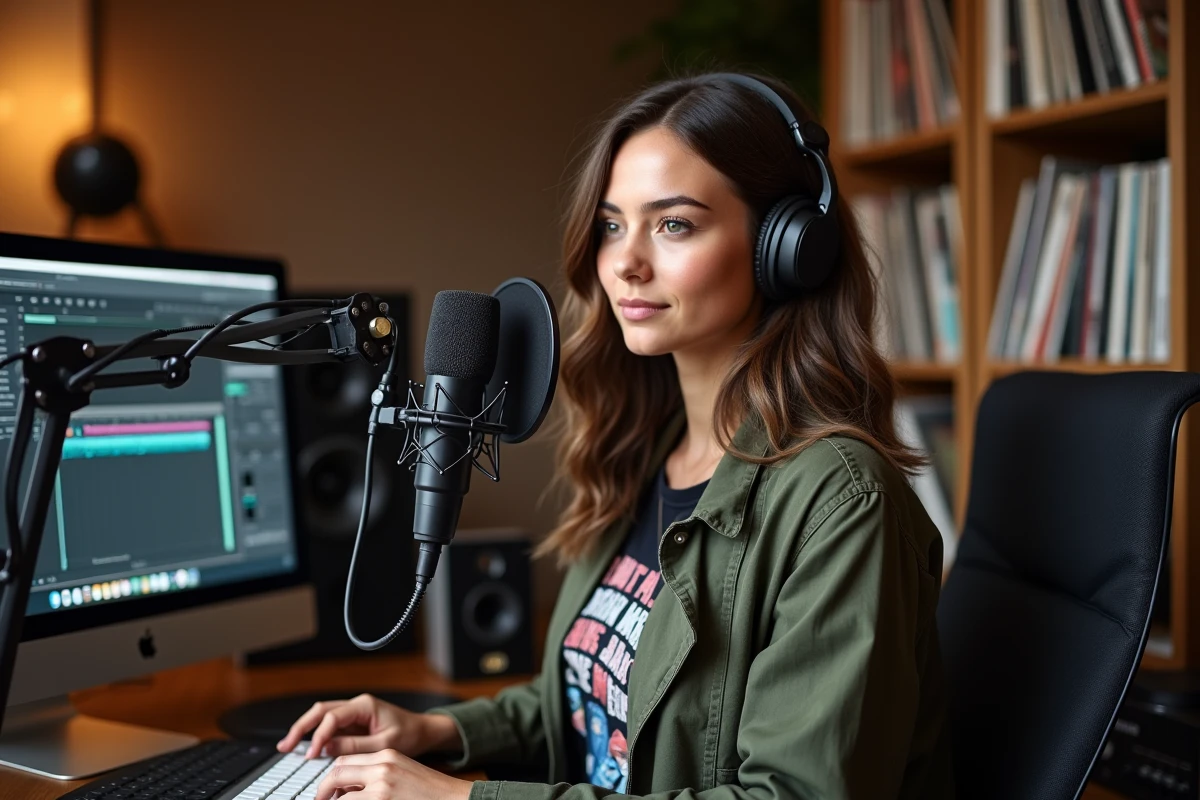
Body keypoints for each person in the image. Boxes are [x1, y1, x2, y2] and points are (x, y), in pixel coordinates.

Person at [280, 71, 955, 800]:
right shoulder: (645, 453)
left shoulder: (840, 502)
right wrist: (437, 733)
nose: (625, 262)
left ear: (787, 247)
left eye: (674, 224)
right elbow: (589, 703)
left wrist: (460, 798)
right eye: (611, 224)